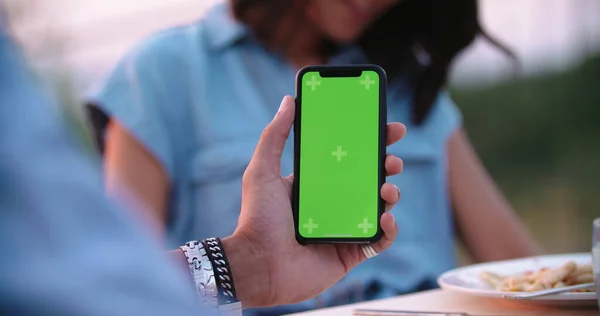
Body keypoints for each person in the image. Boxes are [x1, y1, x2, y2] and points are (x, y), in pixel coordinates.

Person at [86, 0, 543, 314]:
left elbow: (532, 278)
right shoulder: (162, 73)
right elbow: (117, 294)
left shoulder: (405, 82)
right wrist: (243, 268)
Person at [0, 21, 406, 315]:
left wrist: (250, 263)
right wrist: (251, 265)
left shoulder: (411, 71)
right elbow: (100, 281)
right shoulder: (160, 69)